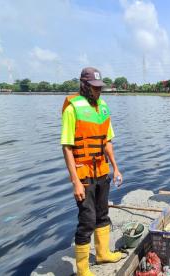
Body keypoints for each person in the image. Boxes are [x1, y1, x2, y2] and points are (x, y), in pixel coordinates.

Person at [61, 67, 123, 276]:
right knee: (87, 219)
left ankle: (103, 253)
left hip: (102, 172)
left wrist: (115, 168)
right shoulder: (73, 109)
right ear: (84, 85)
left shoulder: (103, 107)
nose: (98, 92)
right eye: (95, 88)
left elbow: (107, 141)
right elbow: (67, 147)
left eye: (100, 88)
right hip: (84, 174)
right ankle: (82, 269)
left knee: (103, 215)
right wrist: (75, 181)